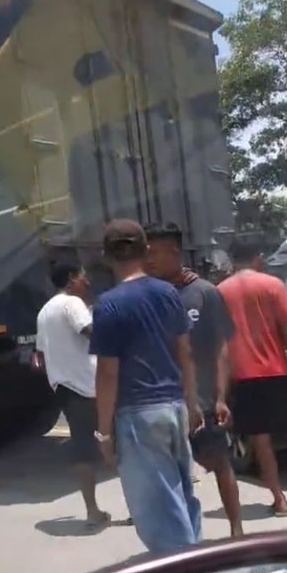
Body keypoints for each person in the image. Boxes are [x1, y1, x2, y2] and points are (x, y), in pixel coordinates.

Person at [90, 219, 204, 555]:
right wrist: (193, 402)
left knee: (158, 510)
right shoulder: (168, 293)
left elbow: (108, 374)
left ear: (107, 257)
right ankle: (198, 569)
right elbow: (185, 352)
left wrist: (104, 434)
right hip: (175, 407)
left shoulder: (108, 305)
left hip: (138, 415)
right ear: (144, 251)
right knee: (182, 496)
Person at [217, 235, 287, 517]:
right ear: (258, 257)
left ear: (233, 260)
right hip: (279, 371)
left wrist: (220, 393)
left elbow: (220, 346)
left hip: (244, 376)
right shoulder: (272, 285)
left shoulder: (220, 292)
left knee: (261, 439)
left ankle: (279, 501)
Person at [143, 222, 244, 538]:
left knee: (219, 463)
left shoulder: (205, 293)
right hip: (163, 402)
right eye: (146, 254)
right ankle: (185, 541)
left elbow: (222, 347)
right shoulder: (149, 295)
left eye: (155, 253)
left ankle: (237, 530)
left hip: (202, 399)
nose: (149, 260)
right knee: (172, 476)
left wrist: (220, 396)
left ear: (175, 251)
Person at [35, 262, 110, 531]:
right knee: (122, 443)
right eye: (82, 277)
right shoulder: (72, 304)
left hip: (65, 388)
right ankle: (141, 508)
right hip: (90, 386)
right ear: (70, 280)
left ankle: (92, 511)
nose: (87, 282)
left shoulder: (44, 312)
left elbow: (42, 355)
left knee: (83, 448)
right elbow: (93, 334)